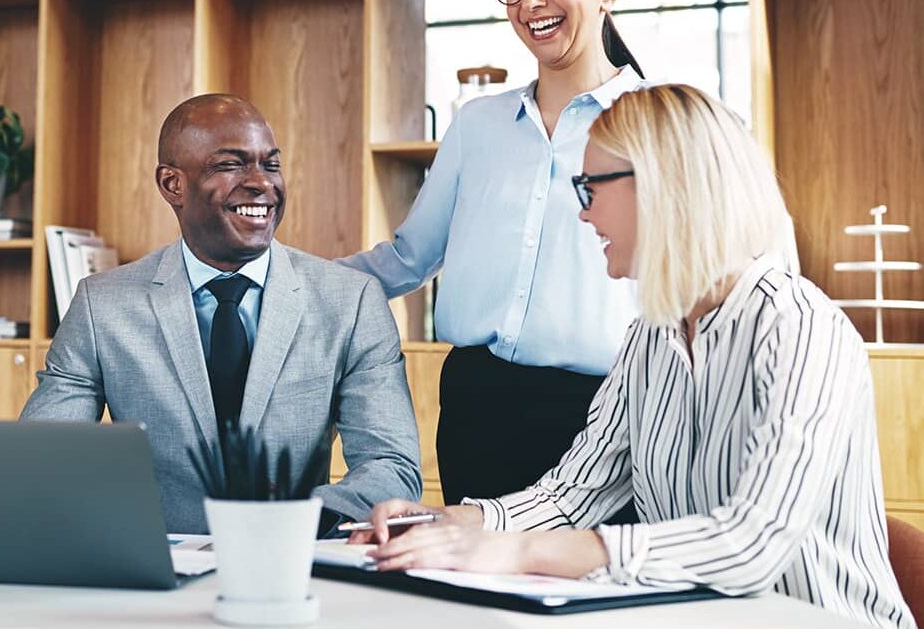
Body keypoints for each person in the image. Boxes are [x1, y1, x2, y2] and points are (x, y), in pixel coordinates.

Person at [353, 84, 914, 629]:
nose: (583, 215)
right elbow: (573, 495)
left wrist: (519, 552)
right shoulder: (648, 339)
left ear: (663, 185)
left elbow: (751, 542)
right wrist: (450, 522)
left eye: (589, 187)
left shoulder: (801, 328)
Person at [339, 0, 647, 506]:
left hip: (609, 410)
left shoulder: (656, 120)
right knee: (471, 585)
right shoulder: (476, 126)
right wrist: (292, 284)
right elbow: (408, 257)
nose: (532, 1)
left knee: (590, 586)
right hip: (478, 406)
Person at [21, 94, 422, 537]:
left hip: (293, 564)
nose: (261, 184)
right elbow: (42, 461)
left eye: (270, 165)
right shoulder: (102, 306)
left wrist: (289, 523)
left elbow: (391, 467)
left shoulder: (352, 301)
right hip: (155, 570)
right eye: (230, 165)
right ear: (173, 184)